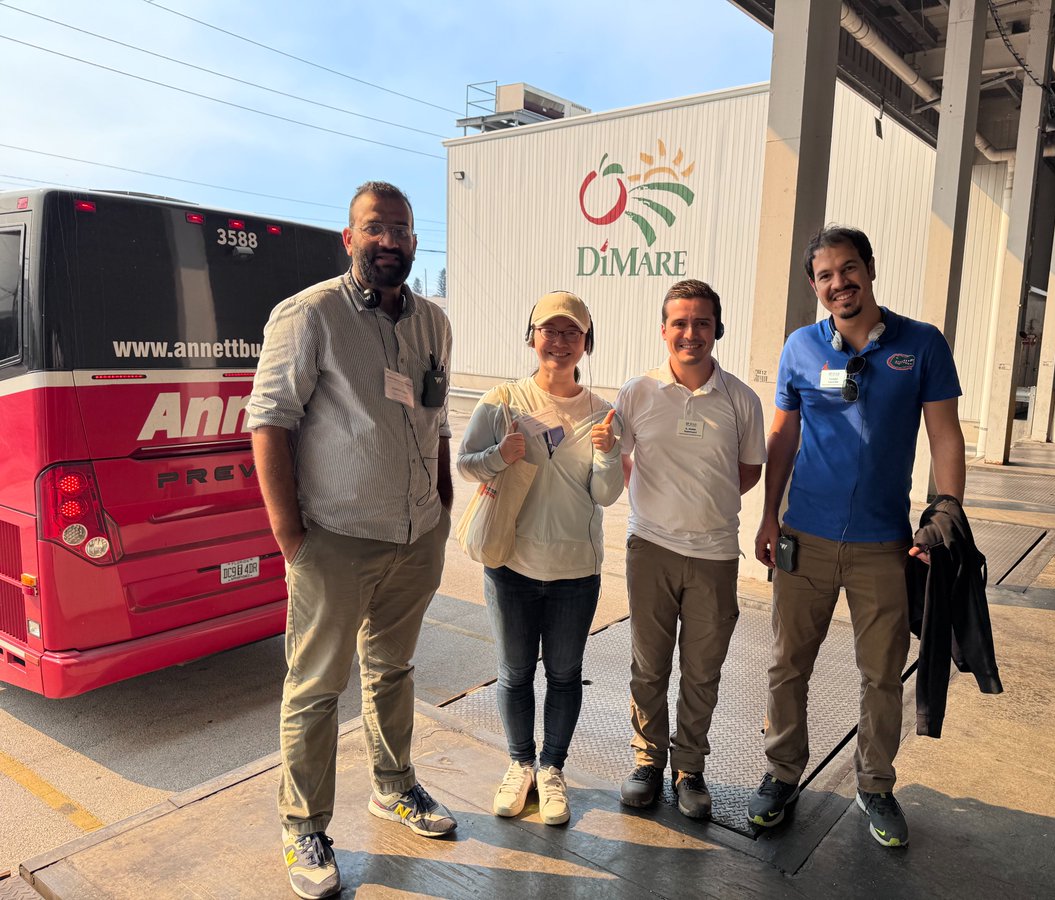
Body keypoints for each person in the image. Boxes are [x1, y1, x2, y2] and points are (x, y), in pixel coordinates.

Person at [248, 181, 456, 899]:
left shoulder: (433, 321)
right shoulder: (310, 316)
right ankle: (302, 825)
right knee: (314, 688)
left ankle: (393, 786)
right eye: (376, 228)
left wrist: (445, 502)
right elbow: (269, 421)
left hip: (416, 533)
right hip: (334, 538)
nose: (390, 240)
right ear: (349, 238)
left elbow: (436, 419)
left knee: (392, 671)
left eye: (401, 228)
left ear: (414, 240)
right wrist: (291, 537)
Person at [748, 226, 966, 848]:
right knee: (788, 665)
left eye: (848, 270)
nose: (838, 283)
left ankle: (875, 785)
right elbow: (783, 436)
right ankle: (783, 775)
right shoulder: (800, 347)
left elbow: (945, 434)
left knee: (880, 673)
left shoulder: (920, 345)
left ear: (870, 270)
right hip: (805, 538)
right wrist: (768, 515)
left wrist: (943, 515)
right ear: (813, 286)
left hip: (882, 545)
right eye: (824, 276)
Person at [457, 291, 623, 827]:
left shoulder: (601, 412)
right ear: (531, 337)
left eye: (571, 331)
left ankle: (552, 770)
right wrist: (498, 456)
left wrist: (609, 453)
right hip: (510, 565)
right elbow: (466, 466)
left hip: (576, 571)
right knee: (513, 674)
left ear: (587, 343)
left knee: (565, 674)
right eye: (549, 330)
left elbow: (605, 494)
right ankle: (520, 764)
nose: (559, 341)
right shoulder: (502, 400)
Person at [615, 279, 765, 819]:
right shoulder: (637, 392)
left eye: (702, 322)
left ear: (717, 330)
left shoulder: (740, 399)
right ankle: (647, 761)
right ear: (663, 330)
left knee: (703, 670)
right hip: (650, 547)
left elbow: (746, 472)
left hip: (716, 555)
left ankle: (690, 768)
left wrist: (705, 501)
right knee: (648, 665)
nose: (690, 333)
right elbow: (620, 458)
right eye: (679, 322)